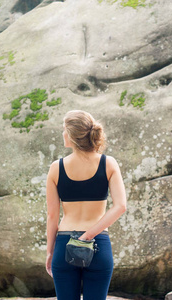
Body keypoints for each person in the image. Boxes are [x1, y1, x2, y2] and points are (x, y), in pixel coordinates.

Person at [46, 110, 127, 300]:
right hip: (98, 244)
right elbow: (120, 206)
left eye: (64, 130)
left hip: (64, 245)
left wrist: (50, 252)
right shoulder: (109, 164)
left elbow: (52, 216)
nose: (62, 134)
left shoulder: (56, 168)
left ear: (72, 136)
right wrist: (88, 236)